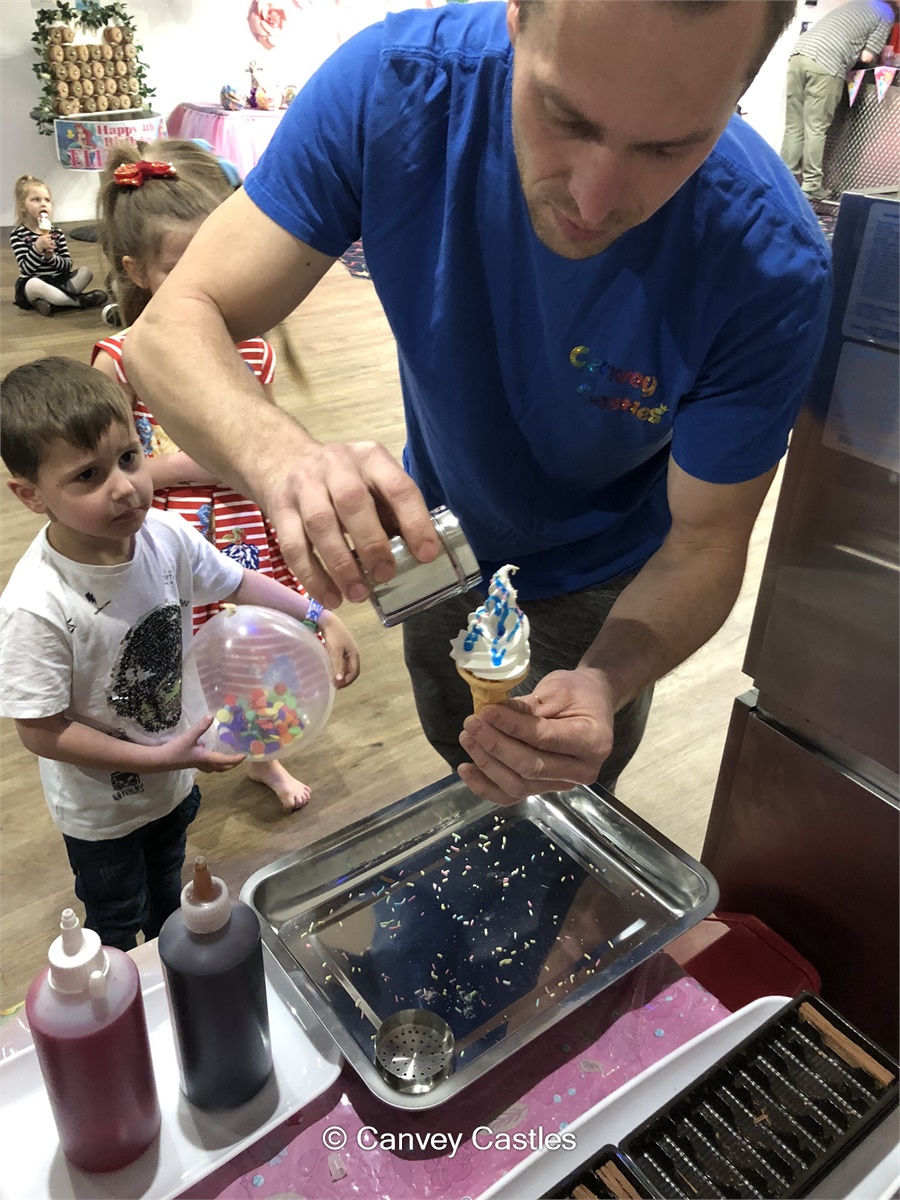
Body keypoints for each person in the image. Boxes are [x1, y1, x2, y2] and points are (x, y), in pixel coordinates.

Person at [122, 0, 832, 809]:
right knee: (454, 750)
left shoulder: (769, 267)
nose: (593, 201)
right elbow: (168, 331)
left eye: (671, 146)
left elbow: (705, 544)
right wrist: (279, 458)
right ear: (516, 18)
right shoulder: (396, 88)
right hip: (440, 538)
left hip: (609, 589)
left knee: (568, 803)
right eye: (565, 115)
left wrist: (605, 682)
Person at [0, 357, 358, 950]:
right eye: (87, 476)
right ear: (31, 496)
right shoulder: (34, 605)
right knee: (117, 917)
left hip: (174, 780)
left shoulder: (165, 535)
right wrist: (164, 758)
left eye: (128, 458)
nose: (123, 486)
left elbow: (236, 583)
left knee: (169, 887)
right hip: (102, 811)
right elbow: (39, 731)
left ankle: (173, 962)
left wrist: (320, 615)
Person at [93, 138, 345, 813]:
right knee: (178, 645)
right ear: (137, 270)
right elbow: (109, 473)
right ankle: (175, 747)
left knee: (252, 647)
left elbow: (262, 443)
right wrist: (199, 460)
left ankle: (264, 753)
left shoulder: (253, 347)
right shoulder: (119, 359)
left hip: (242, 531)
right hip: (173, 536)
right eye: (179, 266)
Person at [781, 0, 897, 199]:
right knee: (816, 127)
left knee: (794, 125)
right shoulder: (886, 14)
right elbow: (868, 56)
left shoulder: (859, 4)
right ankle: (811, 185)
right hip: (827, 63)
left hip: (799, 54)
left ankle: (784, 179)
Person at [10, 174, 107, 316]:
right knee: (33, 285)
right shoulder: (18, 235)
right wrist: (37, 248)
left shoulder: (56, 233)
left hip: (59, 282)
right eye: (36, 200)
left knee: (86, 272)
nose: (43, 204)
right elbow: (26, 269)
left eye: (47, 200)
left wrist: (51, 258)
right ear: (22, 206)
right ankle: (79, 301)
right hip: (36, 282)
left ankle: (53, 302)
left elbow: (67, 266)